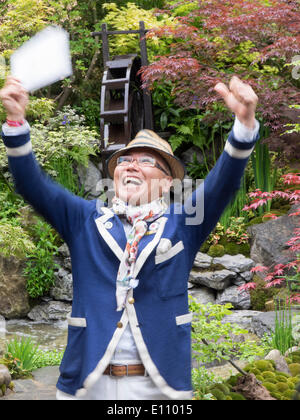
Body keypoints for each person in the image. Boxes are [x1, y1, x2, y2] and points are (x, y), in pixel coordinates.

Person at [0, 75, 259, 400]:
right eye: (125, 160)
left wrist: (244, 124)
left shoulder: (184, 224)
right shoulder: (84, 220)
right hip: (88, 383)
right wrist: (15, 121)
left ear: (167, 184)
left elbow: (222, 184)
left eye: (146, 161)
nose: (131, 166)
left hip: (161, 388)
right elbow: (32, 185)